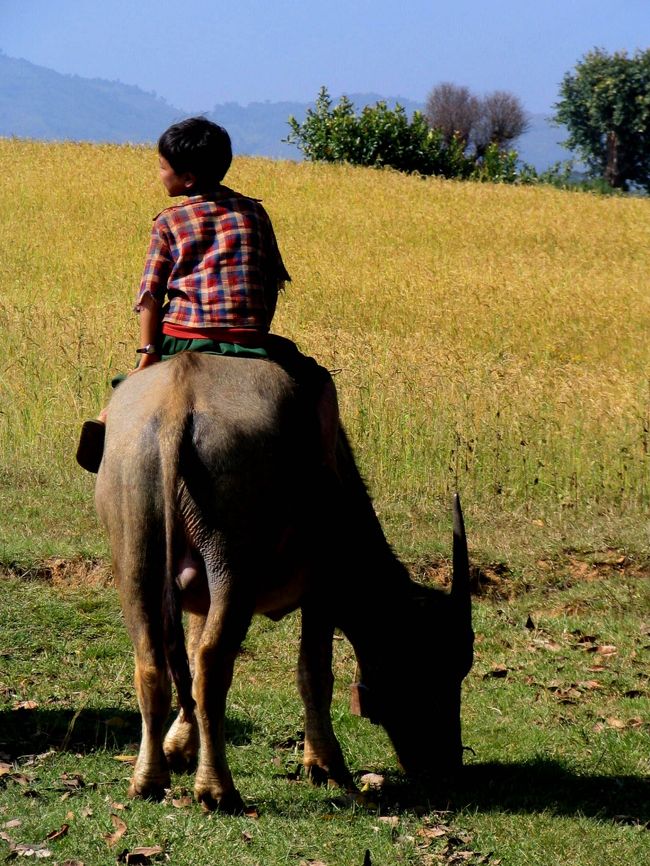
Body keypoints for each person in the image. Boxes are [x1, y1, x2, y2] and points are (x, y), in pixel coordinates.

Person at [76, 116, 337, 473]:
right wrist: (256, 329)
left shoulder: (169, 221)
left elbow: (150, 296)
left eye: (162, 166)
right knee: (320, 381)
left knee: (129, 387)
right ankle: (326, 463)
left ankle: (105, 420)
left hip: (183, 339)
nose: (159, 173)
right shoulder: (254, 212)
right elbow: (272, 282)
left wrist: (149, 355)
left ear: (188, 179)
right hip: (248, 339)